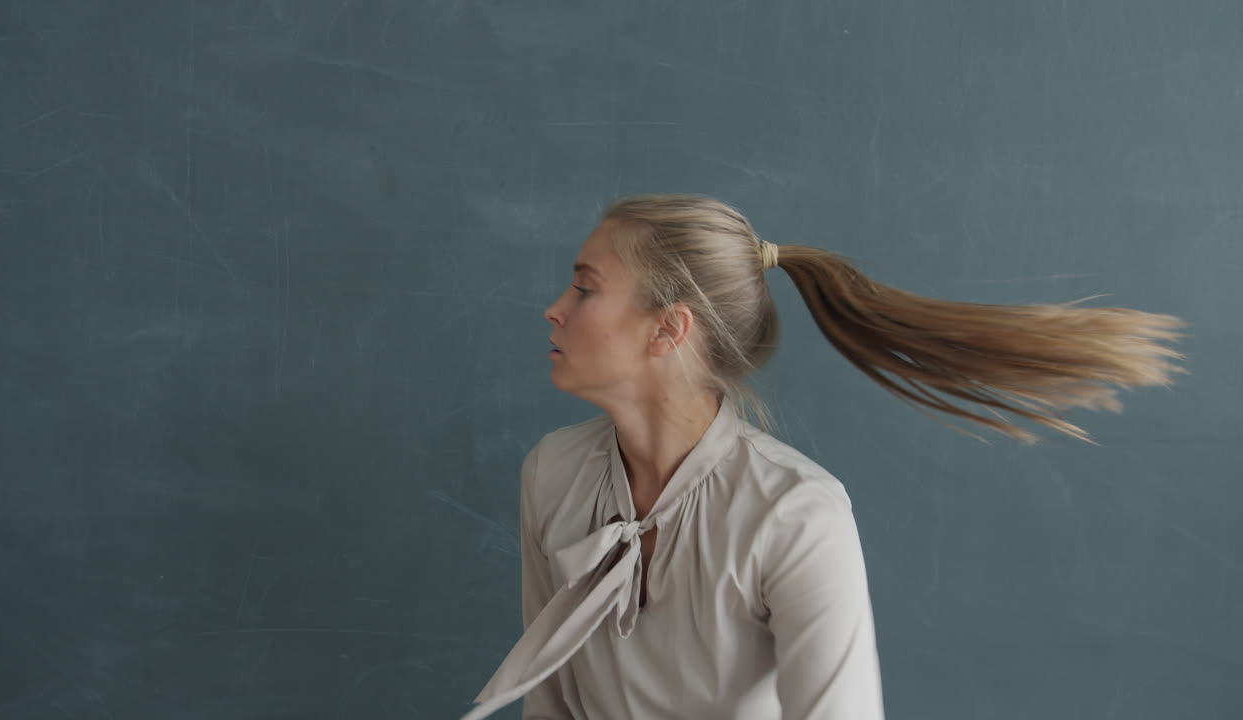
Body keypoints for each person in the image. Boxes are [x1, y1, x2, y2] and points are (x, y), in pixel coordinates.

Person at [461, 194, 1188, 719]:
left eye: (585, 288)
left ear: (667, 330)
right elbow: (550, 702)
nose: (555, 308)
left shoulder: (793, 514)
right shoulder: (551, 473)